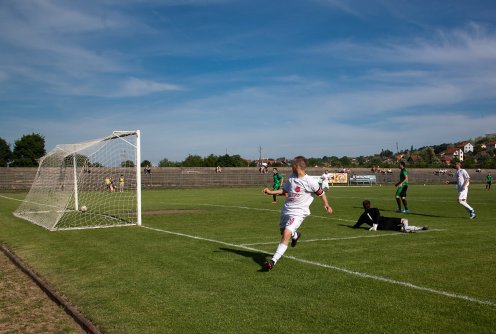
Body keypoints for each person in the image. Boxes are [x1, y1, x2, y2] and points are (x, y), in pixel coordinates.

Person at [262, 156, 333, 271]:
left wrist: (326, 204)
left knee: (286, 234)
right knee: (283, 232)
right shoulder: (292, 177)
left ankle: (272, 261)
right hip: (286, 209)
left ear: (297, 166)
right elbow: (284, 190)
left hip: (299, 212)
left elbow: (321, 193)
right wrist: (271, 192)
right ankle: (295, 235)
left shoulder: (310, 181)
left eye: (292, 164)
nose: (291, 166)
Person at [353, 200, 428, 232]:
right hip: (385, 220)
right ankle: (413, 228)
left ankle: (406, 228)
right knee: (404, 220)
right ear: (370, 205)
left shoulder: (362, 216)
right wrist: (375, 224)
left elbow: (357, 225)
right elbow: (378, 216)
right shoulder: (375, 209)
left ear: (363, 206)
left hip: (382, 228)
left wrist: (375, 226)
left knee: (400, 228)